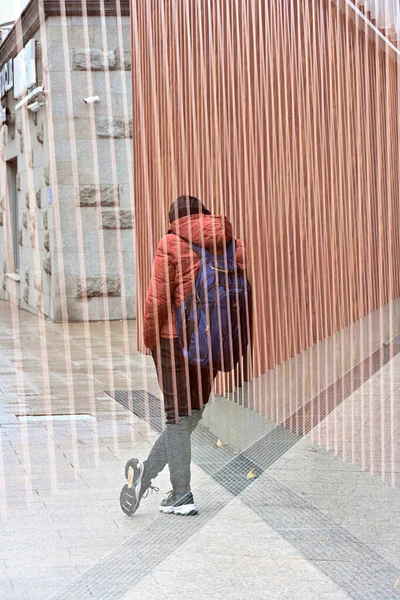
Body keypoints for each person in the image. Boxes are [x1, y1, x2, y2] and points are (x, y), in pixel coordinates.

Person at [120, 195, 245, 516]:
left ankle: (181, 494)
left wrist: (149, 339)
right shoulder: (231, 242)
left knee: (177, 416)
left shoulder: (171, 242)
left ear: (175, 218)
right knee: (191, 414)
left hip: (174, 342)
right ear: (204, 214)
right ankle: (146, 474)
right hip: (213, 342)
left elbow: (157, 300)